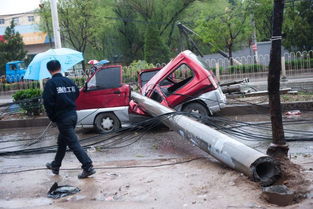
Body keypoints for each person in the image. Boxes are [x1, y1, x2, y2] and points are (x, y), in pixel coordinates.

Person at [43, 60, 95, 179]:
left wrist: (52, 117)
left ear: (49, 70)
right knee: (62, 142)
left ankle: (88, 166)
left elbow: (48, 103)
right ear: (60, 67)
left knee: (73, 143)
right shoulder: (69, 81)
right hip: (72, 115)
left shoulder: (51, 84)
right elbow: (76, 93)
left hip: (63, 118)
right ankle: (55, 165)